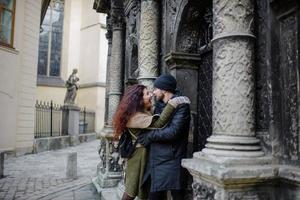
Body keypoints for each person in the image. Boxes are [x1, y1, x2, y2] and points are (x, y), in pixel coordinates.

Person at [112, 84, 190, 200]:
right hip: (138, 158)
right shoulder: (134, 117)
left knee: (147, 190)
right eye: (147, 94)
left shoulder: (142, 111)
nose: (151, 95)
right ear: (138, 99)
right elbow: (159, 124)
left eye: (151, 92)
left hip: (148, 156)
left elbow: (155, 113)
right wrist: (173, 103)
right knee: (131, 191)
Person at [138, 74, 191, 200]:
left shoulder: (182, 106)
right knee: (154, 195)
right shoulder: (160, 105)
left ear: (164, 90)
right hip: (156, 158)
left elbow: (173, 132)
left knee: (177, 195)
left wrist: (150, 136)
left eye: (156, 89)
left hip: (172, 158)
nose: (154, 92)